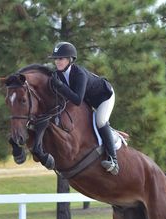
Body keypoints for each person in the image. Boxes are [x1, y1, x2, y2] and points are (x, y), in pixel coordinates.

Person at [49, 41, 119, 175]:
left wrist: (60, 86)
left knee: (101, 121)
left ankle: (113, 160)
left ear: (70, 60)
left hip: (104, 97)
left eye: (61, 58)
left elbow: (77, 100)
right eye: (56, 59)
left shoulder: (79, 73)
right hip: (89, 100)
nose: (57, 62)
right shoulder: (58, 75)